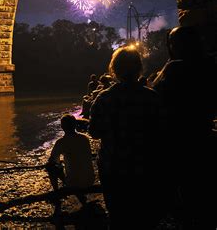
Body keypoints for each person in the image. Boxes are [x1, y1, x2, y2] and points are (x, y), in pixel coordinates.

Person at [88, 46, 165, 230]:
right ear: (139, 68)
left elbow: (94, 132)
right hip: (145, 166)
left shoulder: (104, 98)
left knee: (118, 216)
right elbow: (161, 131)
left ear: (114, 69)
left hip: (114, 167)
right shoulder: (152, 97)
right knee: (145, 216)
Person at [152, 26, 216, 228]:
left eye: (173, 43)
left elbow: (156, 94)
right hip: (203, 135)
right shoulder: (209, 65)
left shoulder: (173, 69)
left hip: (178, 140)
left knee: (185, 196)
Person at [46, 114, 95, 211]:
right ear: (75, 125)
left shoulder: (61, 142)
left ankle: (57, 194)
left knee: (50, 166)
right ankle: (81, 198)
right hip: (90, 179)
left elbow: (52, 160)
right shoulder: (85, 138)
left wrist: (59, 163)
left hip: (74, 182)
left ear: (62, 127)